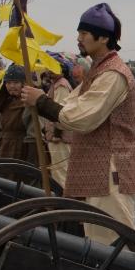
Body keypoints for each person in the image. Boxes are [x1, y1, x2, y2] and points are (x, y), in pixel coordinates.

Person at [21, 2, 135, 243]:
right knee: (99, 238)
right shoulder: (99, 71)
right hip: (100, 166)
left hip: (111, 167)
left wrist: (42, 103)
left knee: (114, 239)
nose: (79, 39)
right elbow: (71, 107)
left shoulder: (113, 74)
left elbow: (82, 117)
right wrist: (39, 100)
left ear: (103, 38)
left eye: (84, 33)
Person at [42, 55, 78, 188]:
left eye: (53, 67)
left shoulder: (61, 86)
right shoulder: (55, 85)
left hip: (60, 137)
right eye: (48, 67)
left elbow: (60, 112)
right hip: (56, 135)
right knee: (58, 170)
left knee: (60, 171)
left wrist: (57, 134)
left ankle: (64, 199)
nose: (49, 70)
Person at [0, 65, 34, 162]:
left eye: (16, 82)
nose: (11, 86)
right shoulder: (6, 102)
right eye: (8, 82)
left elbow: (33, 134)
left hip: (21, 148)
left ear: (23, 84)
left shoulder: (28, 102)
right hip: (5, 146)